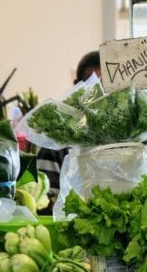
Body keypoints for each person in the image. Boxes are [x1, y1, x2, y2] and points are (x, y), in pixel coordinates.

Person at [35, 51, 101, 198]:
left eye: (106, 88)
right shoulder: (55, 145)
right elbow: (45, 201)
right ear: (77, 86)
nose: (100, 95)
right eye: (93, 85)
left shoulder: (124, 146)